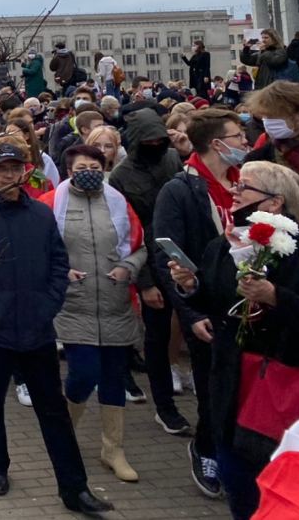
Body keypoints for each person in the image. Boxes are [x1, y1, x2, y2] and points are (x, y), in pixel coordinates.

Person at [0, 139, 115, 516]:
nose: (9, 176)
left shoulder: (41, 214)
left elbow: (59, 262)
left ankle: (74, 488)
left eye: (16, 169)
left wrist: (48, 305)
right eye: (2, 169)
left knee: (53, 411)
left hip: (36, 329)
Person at [168, 162, 299, 519]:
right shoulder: (225, 244)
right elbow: (215, 300)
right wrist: (191, 286)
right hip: (231, 376)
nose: (234, 192)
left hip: (282, 380)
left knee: (274, 478)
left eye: (244, 186)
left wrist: (276, 297)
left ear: (275, 202)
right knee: (235, 474)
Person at [152, 108, 247, 499]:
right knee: (212, 388)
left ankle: (238, 454)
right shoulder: (181, 189)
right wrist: (190, 312)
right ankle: (206, 449)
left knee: (243, 387)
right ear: (216, 143)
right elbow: (168, 254)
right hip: (205, 303)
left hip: (247, 299)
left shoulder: (247, 182)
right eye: (238, 136)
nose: (245, 142)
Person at [52, 144, 146, 483]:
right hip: (74, 305)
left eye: (96, 167)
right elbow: (42, 250)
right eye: (82, 168)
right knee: (83, 372)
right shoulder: (52, 204)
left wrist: (128, 267)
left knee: (113, 376)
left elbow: (139, 247)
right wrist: (61, 272)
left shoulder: (119, 203)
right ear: (69, 171)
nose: (90, 172)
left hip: (114, 303)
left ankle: (113, 449)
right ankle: (63, 437)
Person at [108, 108, 191, 436]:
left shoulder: (172, 159)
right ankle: (165, 407)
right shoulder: (121, 176)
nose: (155, 146)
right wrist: (144, 282)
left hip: (184, 258)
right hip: (152, 265)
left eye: (160, 140)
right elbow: (128, 231)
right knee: (156, 339)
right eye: (149, 142)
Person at [243, 81, 299, 224]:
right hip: (285, 223)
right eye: (265, 117)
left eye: (274, 117)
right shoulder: (266, 142)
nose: (267, 123)